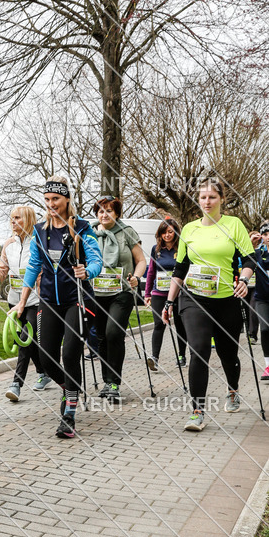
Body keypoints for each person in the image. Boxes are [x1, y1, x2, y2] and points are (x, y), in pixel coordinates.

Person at [162, 175, 255, 431]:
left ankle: (233, 389)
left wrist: (244, 281)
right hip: (193, 298)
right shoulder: (189, 229)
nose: (207, 201)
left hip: (226, 299)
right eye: (202, 197)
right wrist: (169, 302)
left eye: (212, 196)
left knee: (228, 354)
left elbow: (249, 259)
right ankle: (197, 411)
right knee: (199, 350)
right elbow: (180, 269)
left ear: (222, 199)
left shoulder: (234, 225)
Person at [16, 175, 103, 438]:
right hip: (48, 301)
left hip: (78, 299)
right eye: (47, 200)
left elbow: (96, 260)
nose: (52, 204)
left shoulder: (82, 228)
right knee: (45, 357)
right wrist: (22, 300)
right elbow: (33, 266)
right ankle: (71, 388)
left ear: (67, 199)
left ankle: (69, 415)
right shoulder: (40, 231)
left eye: (56, 199)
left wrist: (87, 271)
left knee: (70, 354)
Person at [0, 205, 51, 401]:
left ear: (29, 219)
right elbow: (2, 271)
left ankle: (16, 384)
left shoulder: (38, 242)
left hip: (34, 300)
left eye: (18, 218)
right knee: (24, 341)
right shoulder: (9, 244)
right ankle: (44, 372)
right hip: (14, 300)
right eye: (12, 218)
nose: (13, 222)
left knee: (25, 338)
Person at [91, 197, 147, 402]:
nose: (103, 215)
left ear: (117, 213)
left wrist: (137, 278)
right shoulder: (90, 233)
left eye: (108, 211)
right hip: (96, 292)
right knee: (101, 337)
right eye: (100, 211)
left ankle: (114, 382)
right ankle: (107, 381)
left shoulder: (127, 232)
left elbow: (141, 261)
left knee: (113, 332)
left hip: (122, 291)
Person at [144, 217, 188, 371]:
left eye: (170, 232)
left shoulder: (182, 248)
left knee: (180, 324)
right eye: (164, 233)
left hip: (178, 293)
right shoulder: (156, 250)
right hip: (159, 292)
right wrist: (147, 293)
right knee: (159, 323)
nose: (167, 235)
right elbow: (150, 272)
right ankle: (154, 358)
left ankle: (182, 355)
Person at [254, 222, 269, 380]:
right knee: (264, 329)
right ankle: (267, 365)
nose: (268, 237)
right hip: (262, 298)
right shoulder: (259, 253)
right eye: (265, 234)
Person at [245, 231, 261, 344]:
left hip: (256, 285)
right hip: (244, 285)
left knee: (252, 309)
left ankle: (252, 334)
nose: (255, 241)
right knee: (245, 310)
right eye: (252, 239)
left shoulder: (261, 251)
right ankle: (244, 330)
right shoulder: (244, 250)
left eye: (256, 240)